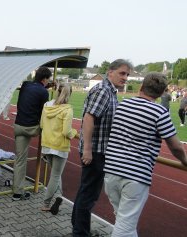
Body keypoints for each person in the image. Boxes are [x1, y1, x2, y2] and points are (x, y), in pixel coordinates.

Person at [104, 73, 187, 237]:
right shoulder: (160, 112)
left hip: (111, 172)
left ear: (142, 86)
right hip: (135, 176)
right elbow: (175, 146)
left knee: (124, 221)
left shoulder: (123, 104)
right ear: (163, 92)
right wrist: (184, 160)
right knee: (124, 228)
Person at [72, 59, 133, 237]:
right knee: (89, 195)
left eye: (127, 74)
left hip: (99, 150)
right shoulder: (103, 90)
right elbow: (89, 118)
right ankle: (80, 233)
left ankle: (78, 227)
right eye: (122, 73)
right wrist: (88, 150)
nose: (125, 78)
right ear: (110, 72)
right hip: (96, 152)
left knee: (85, 192)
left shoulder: (110, 91)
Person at [12, 66, 51, 201]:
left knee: (20, 160)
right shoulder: (44, 93)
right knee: (49, 124)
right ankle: (47, 154)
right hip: (32, 128)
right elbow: (43, 113)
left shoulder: (25, 85)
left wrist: (46, 85)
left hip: (18, 125)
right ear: (45, 79)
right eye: (48, 80)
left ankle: (17, 192)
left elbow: (35, 88)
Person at [40, 84, 77, 215]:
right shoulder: (67, 109)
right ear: (70, 94)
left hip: (47, 144)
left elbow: (41, 124)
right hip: (60, 147)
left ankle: (59, 196)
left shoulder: (46, 106)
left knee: (56, 174)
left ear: (56, 92)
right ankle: (46, 203)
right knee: (55, 175)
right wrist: (77, 134)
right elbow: (67, 132)